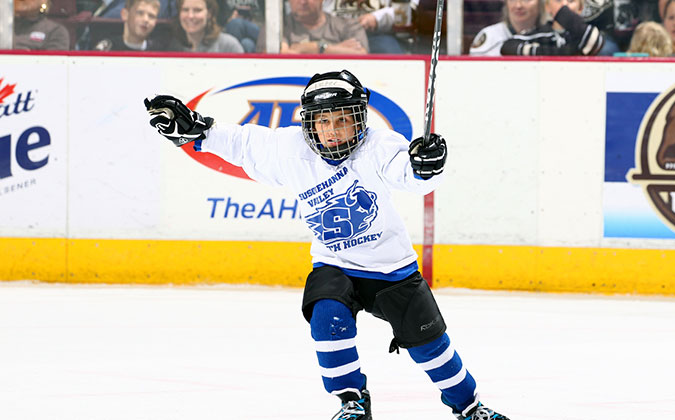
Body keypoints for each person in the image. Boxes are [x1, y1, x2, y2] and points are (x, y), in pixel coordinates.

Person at [143, 69, 510, 420]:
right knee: (326, 317)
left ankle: (469, 408)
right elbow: (240, 143)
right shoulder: (291, 149)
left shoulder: (380, 146)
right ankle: (352, 401)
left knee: (430, 347)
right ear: (310, 124)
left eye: (342, 119)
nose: (332, 131)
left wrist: (425, 167)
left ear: (359, 118)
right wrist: (193, 129)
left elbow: (410, 176)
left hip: (392, 269)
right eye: (323, 121)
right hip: (334, 265)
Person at [470, 0, 604, 56]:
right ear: (546, 6)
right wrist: (567, 52)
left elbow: (593, 40)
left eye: (570, 0)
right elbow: (508, 47)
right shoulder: (539, 34)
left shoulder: (582, 34)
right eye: (558, 0)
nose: (519, 5)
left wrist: (561, 11)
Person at [322, 0, 410, 54]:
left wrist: (377, 18)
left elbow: (405, 13)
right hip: (335, 35)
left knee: (388, 48)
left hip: (376, 36)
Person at [282, 0, 369, 54]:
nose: (302, 2)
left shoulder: (347, 25)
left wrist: (320, 48)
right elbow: (283, 53)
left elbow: (361, 54)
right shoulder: (281, 27)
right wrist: (337, 49)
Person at [168, 0, 244, 52]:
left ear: (209, 14)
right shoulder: (169, 46)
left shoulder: (229, 45)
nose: (190, 16)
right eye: (185, 10)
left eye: (197, 10)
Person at [94, 0, 166, 51]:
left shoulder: (161, 50)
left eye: (151, 16)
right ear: (125, 14)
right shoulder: (107, 48)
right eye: (140, 13)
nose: (146, 20)